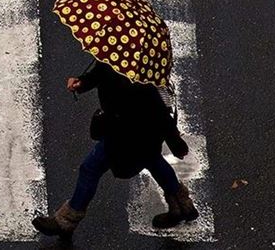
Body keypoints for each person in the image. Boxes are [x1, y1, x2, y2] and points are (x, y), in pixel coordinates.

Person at [32, 60, 199, 240]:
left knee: (91, 168)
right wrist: (82, 82)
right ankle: (182, 206)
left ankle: (66, 221)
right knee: (153, 161)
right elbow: (101, 71)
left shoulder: (137, 77)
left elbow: (159, 113)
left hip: (126, 136)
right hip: (141, 136)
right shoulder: (125, 61)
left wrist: (176, 144)